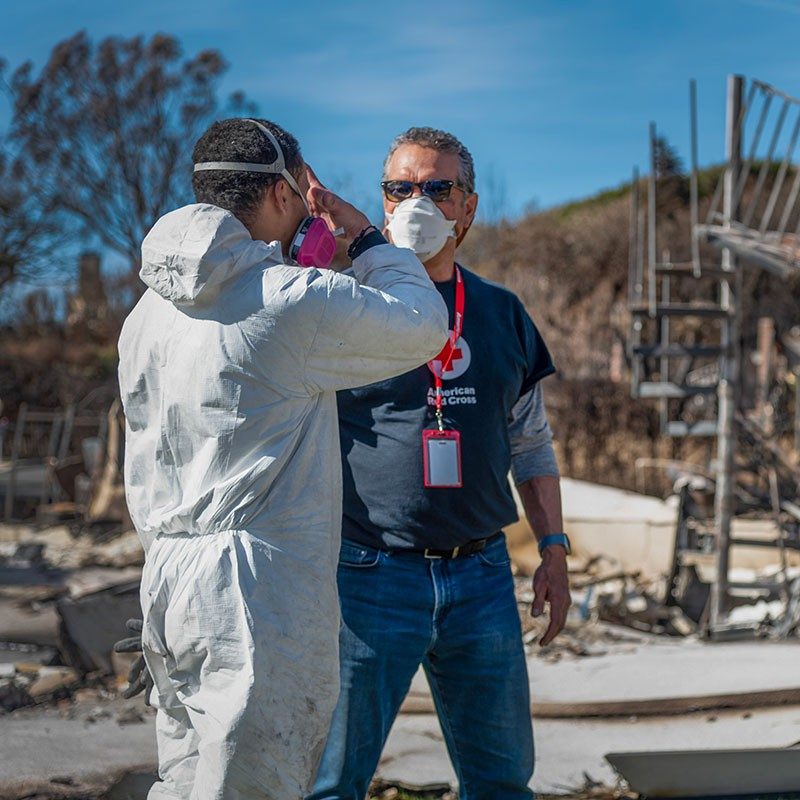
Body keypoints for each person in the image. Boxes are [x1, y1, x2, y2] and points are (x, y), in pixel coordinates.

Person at [117, 117, 448, 800]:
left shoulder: (145, 316)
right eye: (301, 195)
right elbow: (422, 323)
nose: (304, 213)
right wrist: (362, 236)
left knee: (183, 781)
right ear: (276, 191)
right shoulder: (288, 300)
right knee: (253, 787)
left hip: (168, 577)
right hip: (252, 591)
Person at [309, 128, 572, 800]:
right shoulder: (341, 306)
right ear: (382, 201)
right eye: (401, 188)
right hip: (369, 577)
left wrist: (553, 549)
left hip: (481, 577)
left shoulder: (501, 313)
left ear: (469, 208)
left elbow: (530, 441)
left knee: (501, 783)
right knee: (332, 783)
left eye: (437, 188)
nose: (416, 203)